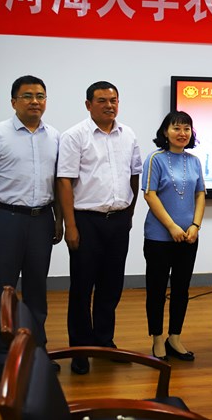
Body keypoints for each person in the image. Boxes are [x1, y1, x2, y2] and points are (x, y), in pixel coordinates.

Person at [0, 75, 62, 381]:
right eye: (27, 96)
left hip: (42, 219)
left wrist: (59, 219)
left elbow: (58, 183)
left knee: (37, 289)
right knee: (3, 290)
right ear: (14, 102)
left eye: (40, 96)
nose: (35, 101)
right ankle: (3, 355)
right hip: (5, 219)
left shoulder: (55, 136)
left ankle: (36, 350)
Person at [57, 81, 142, 375]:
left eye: (113, 100)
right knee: (82, 288)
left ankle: (104, 342)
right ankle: (81, 349)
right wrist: (70, 225)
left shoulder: (128, 134)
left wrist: (129, 212)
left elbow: (134, 175)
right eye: (102, 100)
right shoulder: (74, 136)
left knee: (111, 286)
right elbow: (64, 181)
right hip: (86, 221)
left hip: (118, 221)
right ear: (88, 104)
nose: (109, 105)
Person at [141, 111, 205, 362]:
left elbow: (200, 194)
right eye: (176, 128)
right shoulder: (155, 158)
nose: (182, 133)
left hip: (188, 237)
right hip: (159, 237)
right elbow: (150, 195)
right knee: (156, 289)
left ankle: (174, 337)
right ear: (165, 132)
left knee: (182, 289)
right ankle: (157, 338)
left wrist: (195, 225)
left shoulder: (194, 160)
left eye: (186, 128)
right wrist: (171, 227)